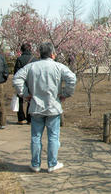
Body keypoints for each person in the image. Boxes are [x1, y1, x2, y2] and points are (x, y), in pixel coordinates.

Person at [13, 42, 76, 173]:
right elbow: (72, 78)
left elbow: (17, 78)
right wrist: (65, 94)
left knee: (36, 137)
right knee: (53, 136)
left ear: (40, 54)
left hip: (36, 107)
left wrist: (25, 94)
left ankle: (35, 164)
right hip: (53, 107)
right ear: (52, 54)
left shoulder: (31, 67)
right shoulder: (59, 66)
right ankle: (52, 164)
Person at [14, 43, 38, 125]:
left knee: (20, 99)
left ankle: (21, 118)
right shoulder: (35, 60)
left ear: (22, 50)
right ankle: (30, 118)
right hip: (31, 82)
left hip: (22, 81)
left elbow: (16, 72)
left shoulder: (19, 59)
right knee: (31, 99)